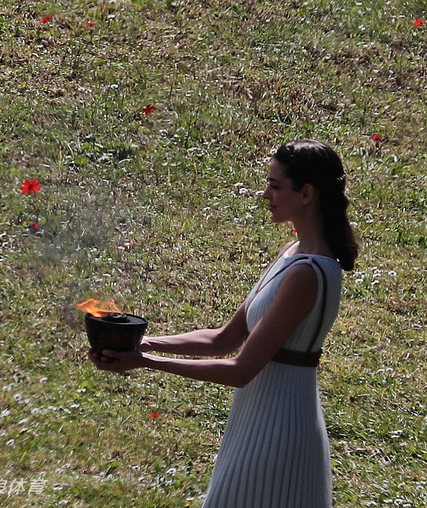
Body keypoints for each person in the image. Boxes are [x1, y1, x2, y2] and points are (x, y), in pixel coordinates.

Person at [89, 140, 359, 508]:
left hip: (278, 431)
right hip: (258, 420)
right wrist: (145, 343)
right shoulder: (293, 255)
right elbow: (223, 339)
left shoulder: (307, 274)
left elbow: (240, 369)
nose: (266, 194)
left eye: (276, 186)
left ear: (307, 193)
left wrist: (145, 362)